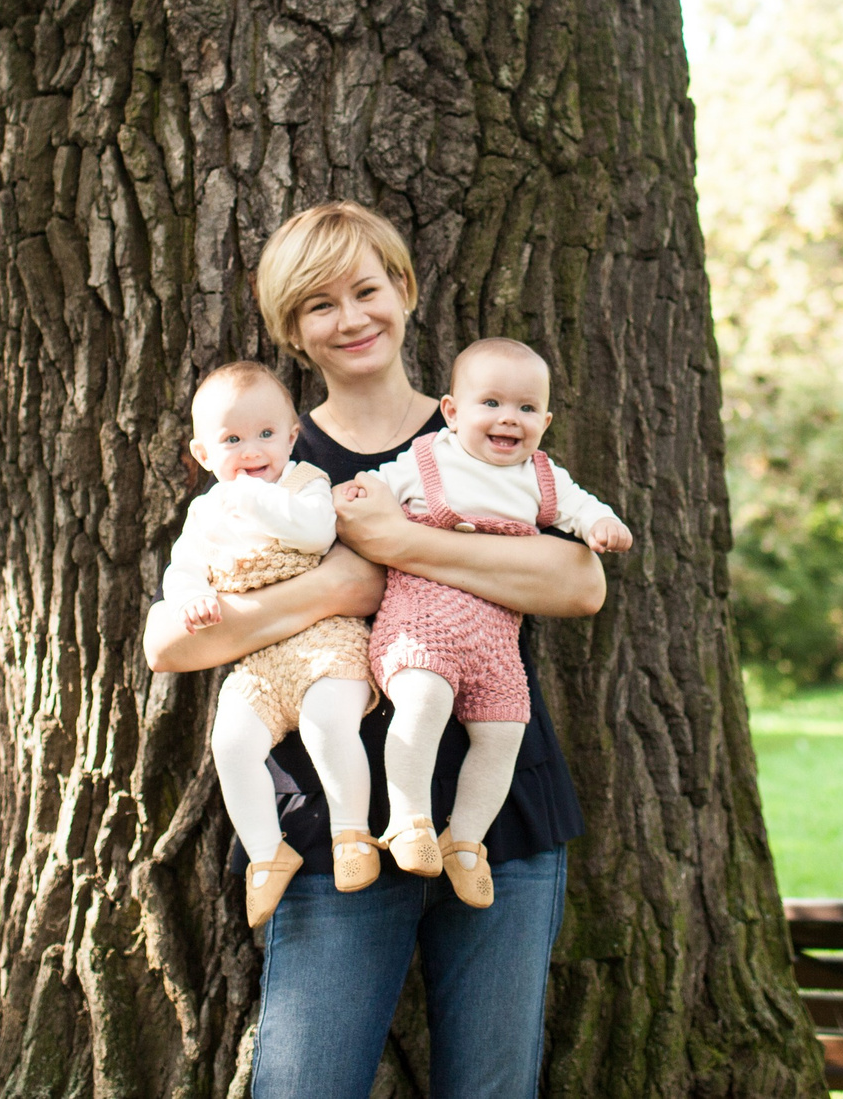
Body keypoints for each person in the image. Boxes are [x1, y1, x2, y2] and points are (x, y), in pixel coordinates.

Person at [142, 201, 605, 1099]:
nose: (350, 318)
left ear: (405, 290)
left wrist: (391, 549)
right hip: (328, 822)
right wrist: (337, 586)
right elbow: (169, 641)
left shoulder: (479, 429)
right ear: (291, 326)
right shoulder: (271, 453)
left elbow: (579, 583)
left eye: (367, 289)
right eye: (319, 303)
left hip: (496, 808)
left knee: (493, 1088)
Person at [354, 338, 630, 909]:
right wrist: (352, 498)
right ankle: (409, 819)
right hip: (420, 619)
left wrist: (603, 525)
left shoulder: (543, 478)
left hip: (497, 638)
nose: (510, 418)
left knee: (504, 732)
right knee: (422, 701)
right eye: (492, 404)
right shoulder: (428, 459)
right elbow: (372, 493)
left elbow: (584, 510)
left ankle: (465, 842)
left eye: (527, 409)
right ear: (453, 413)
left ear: (545, 421)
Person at [162, 360, 380, 927]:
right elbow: (182, 571)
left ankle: (350, 835)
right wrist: (189, 598)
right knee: (231, 745)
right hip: (257, 662)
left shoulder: (305, 484)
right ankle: (266, 853)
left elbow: (315, 533)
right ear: (205, 454)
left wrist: (254, 499)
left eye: (266, 435)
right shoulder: (204, 512)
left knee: (327, 724)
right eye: (232, 440)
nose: (252, 450)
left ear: (291, 437)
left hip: (324, 642)